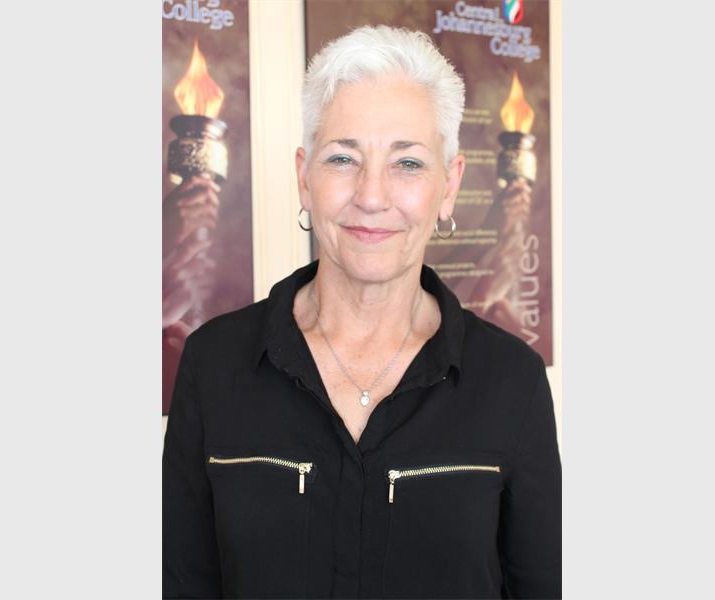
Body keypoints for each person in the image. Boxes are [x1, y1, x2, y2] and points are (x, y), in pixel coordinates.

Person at [163, 25, 561, 599]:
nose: (372, 196)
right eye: (343, 158)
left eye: (408, 164)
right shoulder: (213, 364)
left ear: (449, 186)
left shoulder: (512, 382)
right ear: (304, 178)